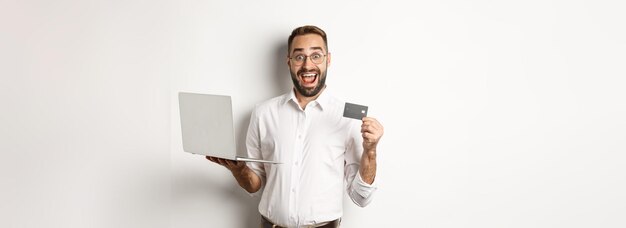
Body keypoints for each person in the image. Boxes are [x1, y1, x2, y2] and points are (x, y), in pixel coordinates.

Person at [206, 25, 384, 228]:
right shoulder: (263, 113)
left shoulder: (348, 117)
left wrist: (371, 151)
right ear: (289, 61)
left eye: (316, 55)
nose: (308, 65)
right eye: (299, 57)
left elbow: (361, 197)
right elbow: (254, 186)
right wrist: (238, 171)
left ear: (328, 59)